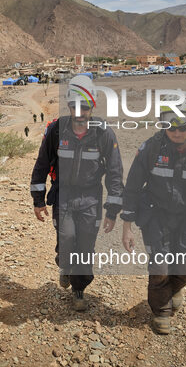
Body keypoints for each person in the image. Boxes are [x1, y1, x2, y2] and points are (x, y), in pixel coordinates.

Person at [120, 91, 186, 334]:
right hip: (155, 215)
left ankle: (174, 289)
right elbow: (133, 188)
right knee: (159, 269)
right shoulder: (150, 148)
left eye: (182, 126)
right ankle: (161, 312)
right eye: (170, 126)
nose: (176, 132)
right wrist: (126, 227)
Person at [30, 75, 124, 311]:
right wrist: (38, 200)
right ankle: (64, 265)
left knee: (85, 247)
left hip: (90, 200)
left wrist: (112, 210)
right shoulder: (56, 130)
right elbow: (41, 165)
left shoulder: (104, 134)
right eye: (75, 106)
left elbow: (115, 173)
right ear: (69, 106)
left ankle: (79, 287)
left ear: (92, 106)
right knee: (67, 242)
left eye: (85, 106)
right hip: (63, 197)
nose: (79, 111)